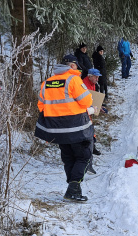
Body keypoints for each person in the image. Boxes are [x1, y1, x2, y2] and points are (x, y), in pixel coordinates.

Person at [34, 54, 94, 202]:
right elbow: (87, 101)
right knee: (84, 156)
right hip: (76, 128)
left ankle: (72, 189)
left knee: (68, 158)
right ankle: (73, 189)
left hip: (57, 130)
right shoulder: (73, 80)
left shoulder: (47, 82)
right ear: (72, 66)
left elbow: (40, 106)